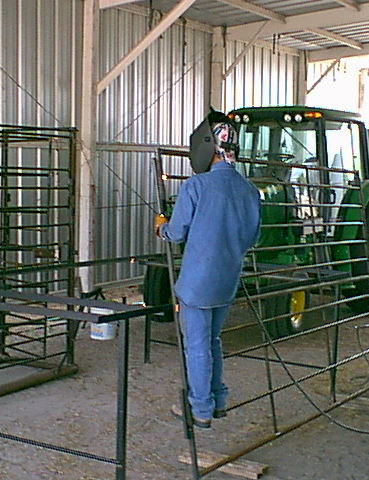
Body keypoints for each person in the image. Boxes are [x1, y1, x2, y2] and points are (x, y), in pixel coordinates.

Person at [154, 111, 261, 428]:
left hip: (197, 283)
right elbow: (251, 237)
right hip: (227, 280)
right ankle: (218, 400)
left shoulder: (195, 186)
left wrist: (161, 226)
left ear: (207, 147)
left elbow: (177, 232)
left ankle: (200, 408)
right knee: (212, 341)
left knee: (197, 347)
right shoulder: (250, 191)